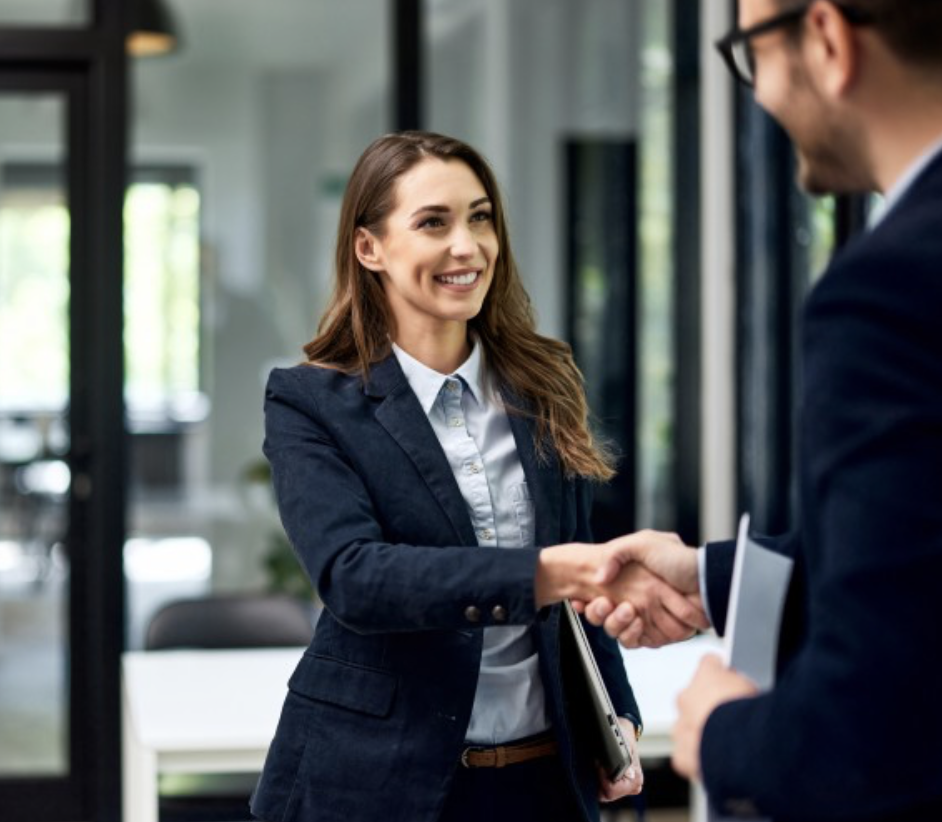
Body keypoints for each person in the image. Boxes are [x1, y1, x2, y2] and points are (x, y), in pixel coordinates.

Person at [249, 131, 707, 822]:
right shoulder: (309, 401)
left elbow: (586, 599)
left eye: (481, 217)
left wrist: (618, 721)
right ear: (369, 247)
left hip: (541, 778)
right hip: (376, 781)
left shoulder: (543, 380)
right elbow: (355, 577)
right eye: (434, 222)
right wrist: (549, 572)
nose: (467, 246)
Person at [579, 1, 942, 819]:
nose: (759, 95)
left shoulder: (885, 294)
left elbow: (870, 738)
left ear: (827, 39)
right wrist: (714, 579)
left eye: (752, 54)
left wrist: (722, 730)